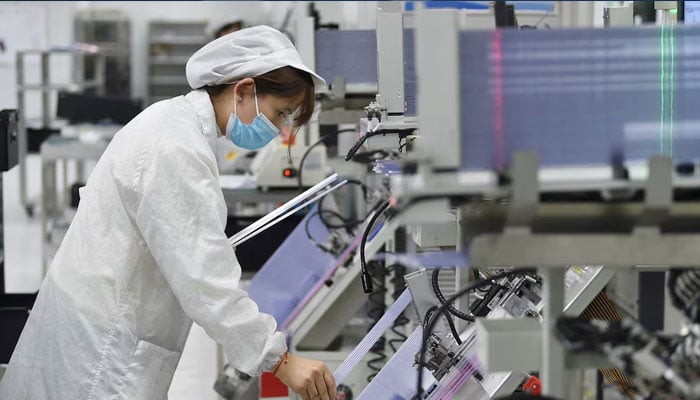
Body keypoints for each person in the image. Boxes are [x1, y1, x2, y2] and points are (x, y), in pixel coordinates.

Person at [0, 26, 336, 400]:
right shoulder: (175, 145)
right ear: (243, 90)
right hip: (98, 356)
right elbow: (203, 278)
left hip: (98, 333)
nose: (277, 130)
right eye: (280, 114)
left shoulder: (175, 123)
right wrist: (279, 361)